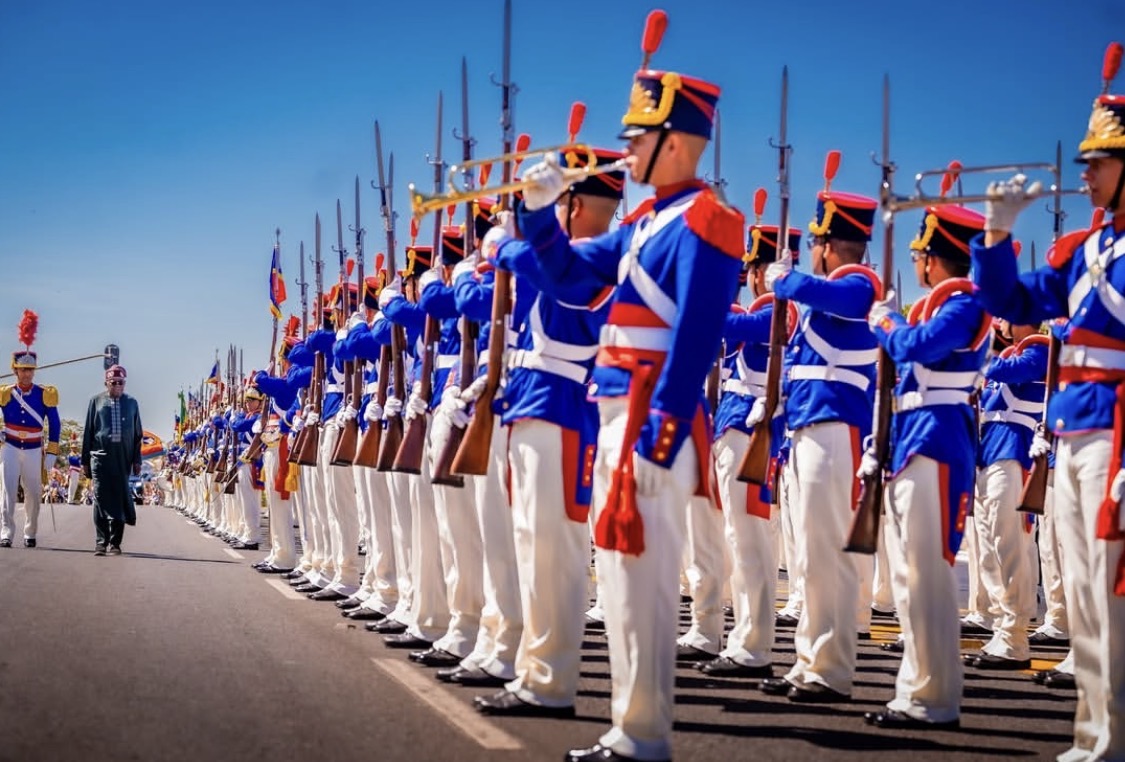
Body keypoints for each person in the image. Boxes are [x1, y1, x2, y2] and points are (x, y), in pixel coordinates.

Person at [516, 14, 744, 760]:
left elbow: (696, 338)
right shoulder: (647, 221)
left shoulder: (707, 220)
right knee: (617, 580)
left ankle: (643, 736)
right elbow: (573, 277)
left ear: (674, 138)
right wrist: (541, 214)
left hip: (650, 417)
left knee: (643, 584)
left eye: (638, 136)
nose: (628, 148)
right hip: (616, 410)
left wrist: (663, 431)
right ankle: (628, 729)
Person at [970, 45, 1125, 760]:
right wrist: (996, 236)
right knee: (1087, 597)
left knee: (1106, 592)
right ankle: (1095, 738)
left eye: (1100, 159)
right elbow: (1007, 300)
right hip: (1072, 434)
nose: (1085, 170)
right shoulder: (1077, 250)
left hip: (1115, 435)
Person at [864, 199, 990, 729]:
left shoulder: (964, 305)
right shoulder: (942, 305)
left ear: (933, 259)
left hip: (937, 442)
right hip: (914, 439)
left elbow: (921, 345)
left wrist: (886, 320)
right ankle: (917, 690)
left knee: (928, 579)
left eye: (920, 252)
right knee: (911, 576)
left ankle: (934, 697)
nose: (916, 262)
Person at [0, 326, 61, 548]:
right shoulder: (5, 393)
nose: (27, 373)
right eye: (22, 369)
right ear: (15, 370)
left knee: (34, 493)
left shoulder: (45, 393)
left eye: (30, 369)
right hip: (10, 447)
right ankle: (6, 532)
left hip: (35, 448)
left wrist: (53, 451)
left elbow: (54, 423)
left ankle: (30, 532)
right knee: (7, 492)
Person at [82, 365, 143, 556]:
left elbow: (138, 435)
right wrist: (85, 461)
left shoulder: (132, 403)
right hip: (99, 457)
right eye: (114, 383)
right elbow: (88, 433)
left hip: (122, 458)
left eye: (121, 383)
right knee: (100, 497)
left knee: (119, 496)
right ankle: (101, 542)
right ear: (106, 383)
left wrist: (137, 460)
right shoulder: (96, 402)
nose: (117, 386)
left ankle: (115, 543)